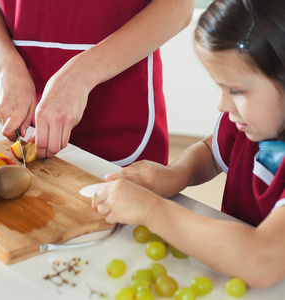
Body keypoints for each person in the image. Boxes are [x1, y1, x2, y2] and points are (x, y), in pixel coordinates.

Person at [92, 0, 285, 288]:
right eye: (219, 87)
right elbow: (211, 151)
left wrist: (151, 210)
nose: (221, 104)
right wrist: (176, 174)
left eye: (236, 90)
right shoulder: (252, 125)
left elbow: (262, 260)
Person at [0, 0, 195, 166]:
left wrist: (81, 75)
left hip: (121, 106)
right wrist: (5, 67)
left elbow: (179, 6)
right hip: (17, 99)